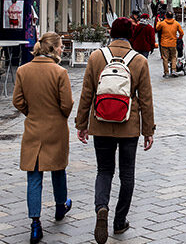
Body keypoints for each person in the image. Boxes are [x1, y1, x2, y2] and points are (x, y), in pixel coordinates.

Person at [75, 18, 155, 243]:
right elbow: (146, 99)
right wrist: (148, 130)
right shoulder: (139, 60)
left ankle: (102, 208)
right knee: (127, 173)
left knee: (104, 170)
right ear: (131, 33)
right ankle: (120, 221)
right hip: (128, 125)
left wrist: (82, 124)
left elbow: (87, 93)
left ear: (111, 33)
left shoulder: (96, 57)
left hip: (100, 122)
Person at [12, 32, 74, 243]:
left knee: (34, 175)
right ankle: (60, 206)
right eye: (60, 46)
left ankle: (35, 224)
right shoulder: (59, 72)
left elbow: (17, 100)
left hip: (34, 127)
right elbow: (67, 104)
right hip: (55, 127)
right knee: (58, 169)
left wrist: (31, 113)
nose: (62, 49)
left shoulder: (23, 70)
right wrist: (58, 115)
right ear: (54, 48)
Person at [154, 12, 184, 78]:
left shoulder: (162, 23)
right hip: (173, 43)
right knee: (174, 57)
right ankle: (174, 70)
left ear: (165, 16)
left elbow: (157, 28)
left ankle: (166, 72)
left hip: (164, 43)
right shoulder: (176, 23)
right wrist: (179, 38)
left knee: (165, 58)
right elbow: (181, 33)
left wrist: (158, 22)